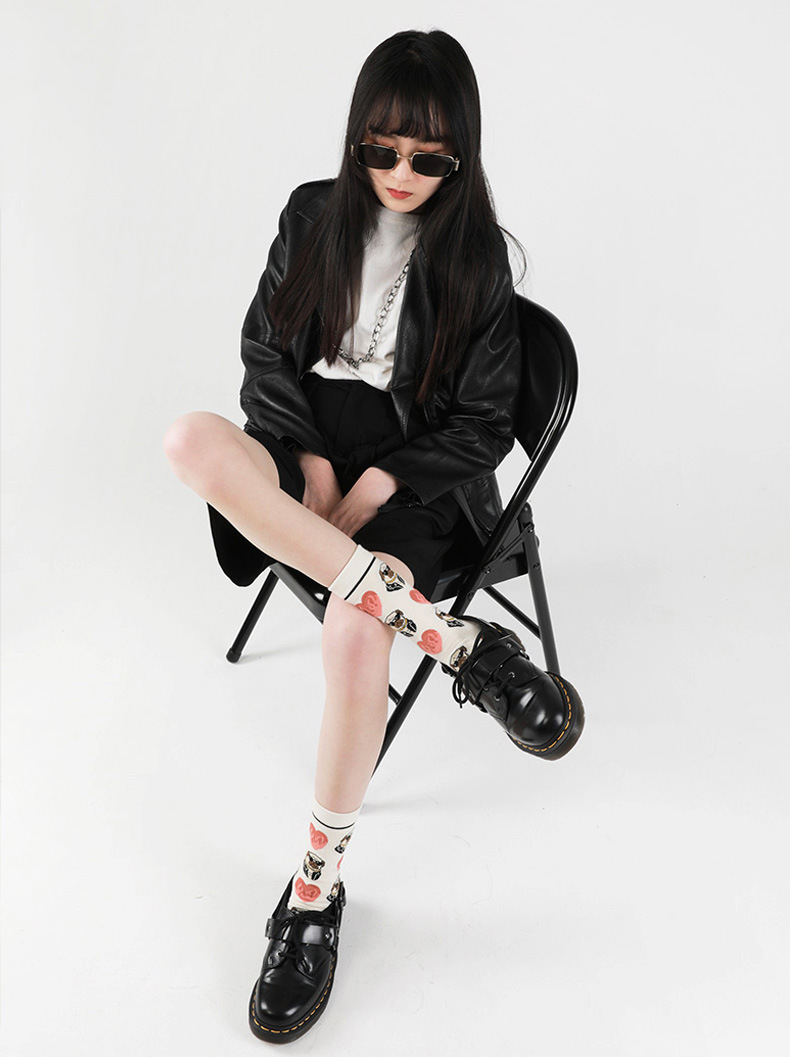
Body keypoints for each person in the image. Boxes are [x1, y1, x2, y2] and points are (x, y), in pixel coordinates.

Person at [164, 28, 584, 1044]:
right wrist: (310, 464)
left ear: (461, 157)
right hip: (301, 445)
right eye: (380, 149)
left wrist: (378, 482)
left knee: (356, 634)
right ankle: (454, 641)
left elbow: (482, 426)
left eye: (428, 158)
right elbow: (265, 352)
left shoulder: (478, 262)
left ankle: (314, 895)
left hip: (415, 477)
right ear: (355, 139)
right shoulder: (312, 215)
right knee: (189, 440)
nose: (400, 173)